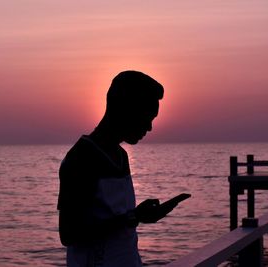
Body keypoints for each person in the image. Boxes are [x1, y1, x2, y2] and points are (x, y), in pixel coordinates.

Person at [57, 70, 181, 267]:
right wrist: (133, 216)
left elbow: (118, 222)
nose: (149, 127)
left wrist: (138, 217)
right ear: (126, 110)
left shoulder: (121, 156)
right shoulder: (82, 158)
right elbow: (70, 233)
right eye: (147, 117)